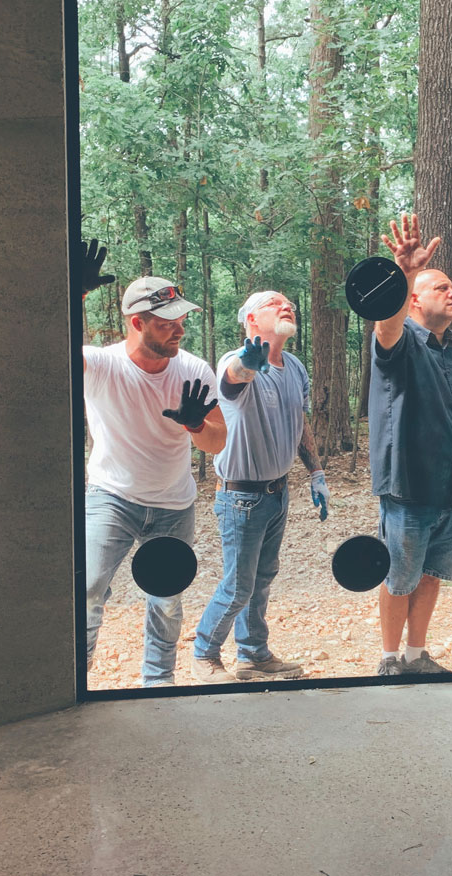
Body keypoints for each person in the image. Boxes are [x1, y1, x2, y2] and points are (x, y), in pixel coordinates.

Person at [81, 239, 227, 687]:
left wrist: (196, 427)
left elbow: (217, 443)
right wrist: (73, 298)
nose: (179, 331)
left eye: (181, 321)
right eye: (167, 324)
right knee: (85, 591)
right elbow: (51, 347)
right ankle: (73, 678)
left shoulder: (195, 371)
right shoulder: (100, 365)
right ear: (136, 322)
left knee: (166, 597)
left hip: (173, 503)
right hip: (112, 497)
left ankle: (158, 684)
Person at [368, 213, 452, 676]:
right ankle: (387, 659)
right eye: (440, 287)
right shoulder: (400, 341)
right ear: (414, 301)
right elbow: (384, 327)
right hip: (409, 487)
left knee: (433, 572)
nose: (451, 292)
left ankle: (417, 656)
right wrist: (402, 274)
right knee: (400, 575)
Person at [190, 291, 330, 684]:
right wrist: (247, 365)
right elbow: (234, 379)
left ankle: (252, 655)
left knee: (263, 578)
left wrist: (316, 473)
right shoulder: (235, 362)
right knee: (237, 585)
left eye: (289, 303)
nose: (287, 306)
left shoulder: (296, 367)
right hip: (242, 496)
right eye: (274, 303)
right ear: (251, 320)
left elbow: (300, 422)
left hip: (277, 491)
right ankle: (203, 655)